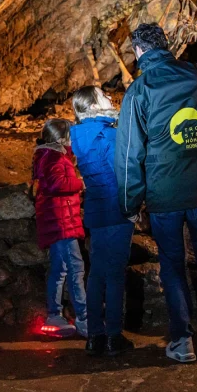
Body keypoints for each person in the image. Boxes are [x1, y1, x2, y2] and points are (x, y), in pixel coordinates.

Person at [114, 23, 197, 363]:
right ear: (165, 44)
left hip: (164, 194)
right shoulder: (196, 74)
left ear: (138, 51)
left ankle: (183, 341)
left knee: (173, 266)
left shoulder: (139, 90)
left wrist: (129, 203)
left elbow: (129, 154)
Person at [70, 86, 135, 357]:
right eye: (103, 95)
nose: (110, 97)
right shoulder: (110, 135)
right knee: (115, 274)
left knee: (96, 273)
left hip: (96, 211)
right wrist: (133, 205)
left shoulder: (80, 137)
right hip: (117, 210)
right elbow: (125, 173)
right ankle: (114, 336)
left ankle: (95, 335)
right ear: (93, 105)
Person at [32, 118, 88, 338]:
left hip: (58, 220)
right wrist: (80, 183)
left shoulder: (47, 155)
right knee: (76, 268)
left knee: (60, 268)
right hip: (62, 222)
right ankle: (84, 318)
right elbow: (58, 184)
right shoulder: (55, 157)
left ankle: (54, 314)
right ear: (63, 138)